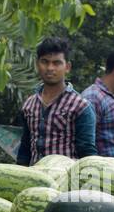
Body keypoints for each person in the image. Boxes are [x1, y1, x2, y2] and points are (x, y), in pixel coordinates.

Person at [16, 37, 97, 165]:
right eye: (45, 62)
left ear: (67, 67)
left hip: (67, 179)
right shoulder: (28, 105)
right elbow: (25, 149)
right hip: (35, 180)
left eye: (57, 63)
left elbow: (87, 153)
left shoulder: (81, 106)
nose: (50, 68)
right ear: (38, 64)